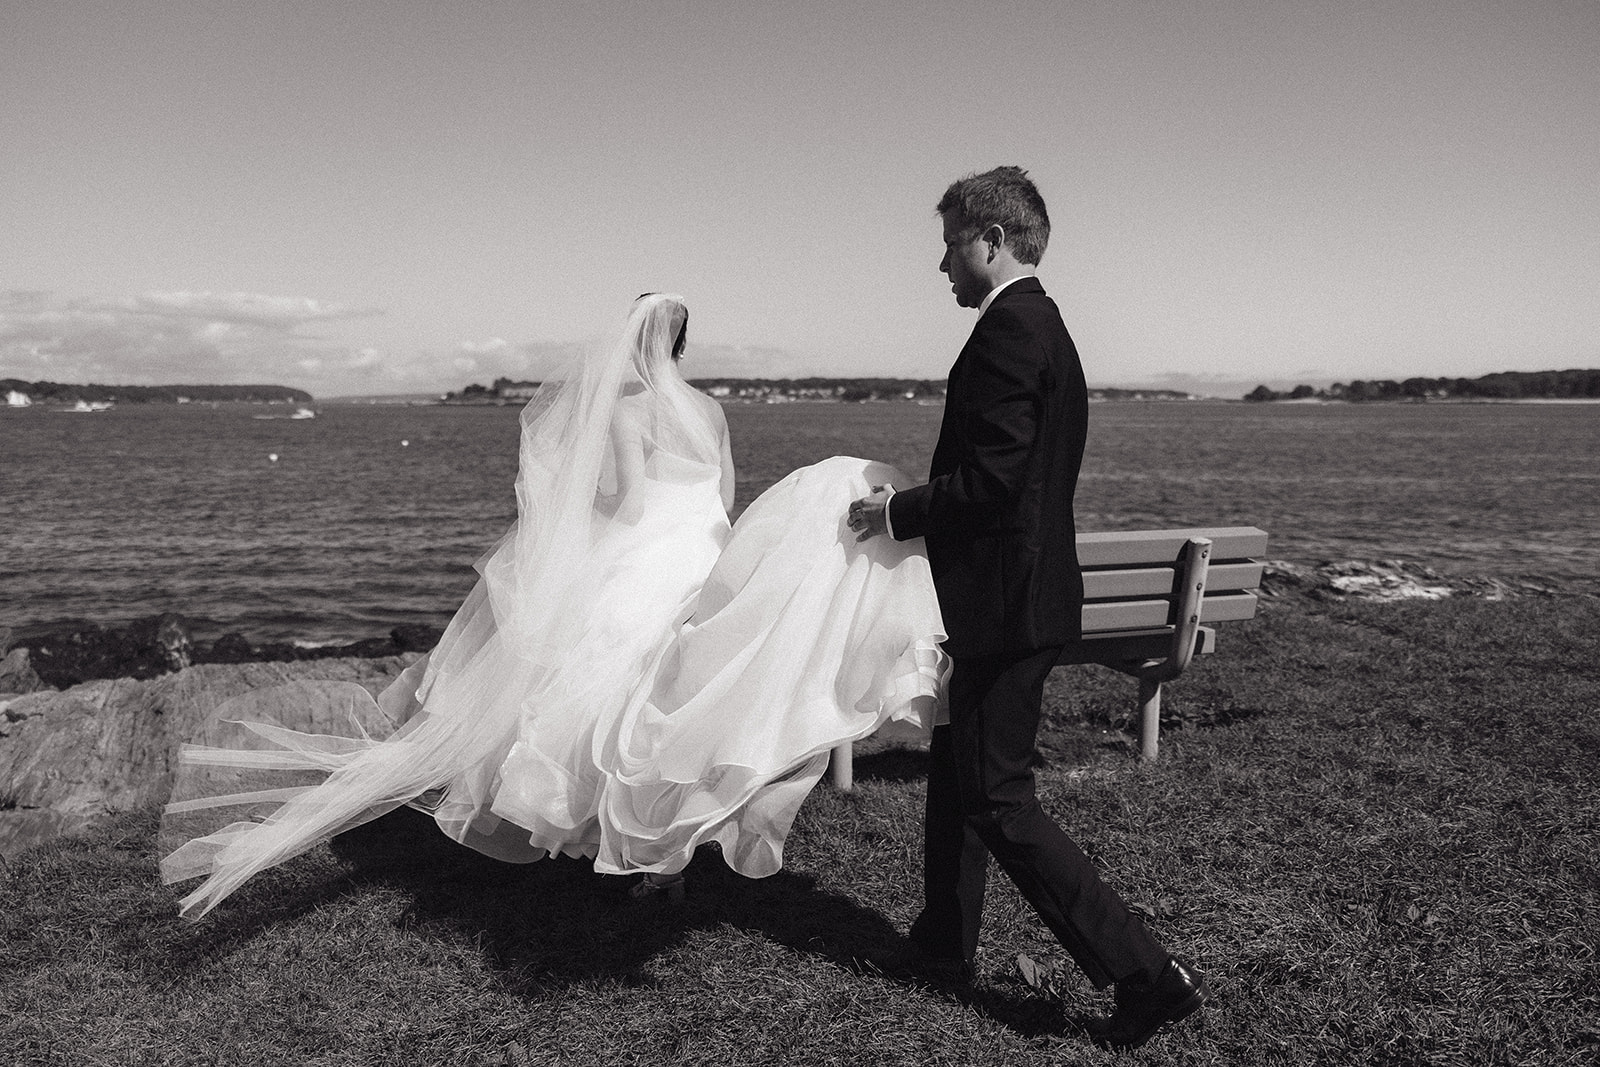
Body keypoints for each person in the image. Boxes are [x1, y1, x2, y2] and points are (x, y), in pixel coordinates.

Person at [161, 293, 946, 918]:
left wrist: (569, 530)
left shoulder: (629, 407)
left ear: (631, 343)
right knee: (676, 698)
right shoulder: (710, 411)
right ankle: (669, 846)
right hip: (704, 554)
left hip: (645, 556)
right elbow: (724, 496)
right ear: (681, 345)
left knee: (598, 692)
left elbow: (631, 505)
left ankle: (616, 841)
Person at [848, 166, 1208, 1051]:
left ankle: (1148, 975)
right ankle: (941, 944)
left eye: (948, 245)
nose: (941, 265)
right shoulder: (1042, 324)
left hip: (1011, 606)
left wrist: (895, 512)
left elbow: (996, 481)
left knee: (1000, 798)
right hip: (1019, 599)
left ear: (991, 241)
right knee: (959, 771)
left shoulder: (1012, 333)